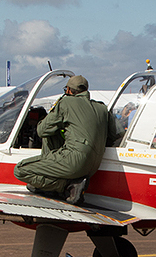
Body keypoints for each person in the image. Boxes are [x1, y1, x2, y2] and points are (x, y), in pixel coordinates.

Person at [13, 75, 122, 204]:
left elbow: (42, 130)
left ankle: (67, 186)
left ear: (69, 91)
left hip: (74, 161)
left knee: (20, 170)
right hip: (93, 166)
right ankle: (68, 183)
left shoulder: (66, 102)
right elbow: (117, 133)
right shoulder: (102, 108)